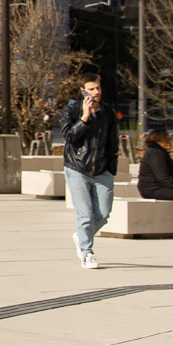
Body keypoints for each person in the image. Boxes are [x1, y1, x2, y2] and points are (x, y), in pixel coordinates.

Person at [60, 75, 119, 269]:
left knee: (103, 213)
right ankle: (87, 253)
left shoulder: (108, 112)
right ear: (83, 91)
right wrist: (84, 117)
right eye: (92, 89)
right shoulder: (72, 110)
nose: (97, 92)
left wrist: (111, 169)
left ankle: (81, 235)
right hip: (77, 168)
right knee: (84, 215)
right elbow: (69, 135)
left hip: (102, 170)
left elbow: (113, 143)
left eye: (98, 88)